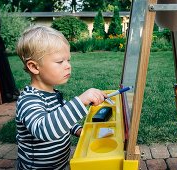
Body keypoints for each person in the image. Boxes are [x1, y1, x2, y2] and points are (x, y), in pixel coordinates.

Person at [13, 25, 107, 169]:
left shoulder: (54, 94)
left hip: (60, 164)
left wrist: (78, 130)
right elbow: (45, 129)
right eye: (59, 62)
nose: (68, 66)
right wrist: (80, 101)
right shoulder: (28, 100)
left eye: (68, 60)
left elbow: (62, 120)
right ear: (34, 67)